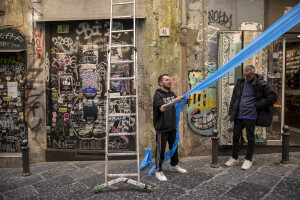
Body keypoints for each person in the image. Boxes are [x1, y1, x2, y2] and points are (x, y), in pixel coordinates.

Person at [225, 65, 278, 170]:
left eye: (248, 76)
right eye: (244, 75)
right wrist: (231, 113)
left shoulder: (260, 84)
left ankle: (248, 159)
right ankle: (234, 158)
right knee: (235, 136)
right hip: (239, 115)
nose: (246, 78)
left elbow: (273, 96)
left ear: (253, 74)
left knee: (250, 137)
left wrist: (258, 105)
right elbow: (234, 99)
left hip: (251, 115)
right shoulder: (240, 82)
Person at [153, 74, 187, 181]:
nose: (169, 81)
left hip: (172, 126)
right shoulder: (158, 94)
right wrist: (175, 100)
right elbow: (162, 108)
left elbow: (175, 104)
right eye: (166, 80)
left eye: (170, 79)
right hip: (162, 127)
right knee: (160, 150)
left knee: (174, 147)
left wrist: (184, 100)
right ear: (160, 83)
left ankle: (174, 165)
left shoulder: (172, 93)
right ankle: (158, 170)